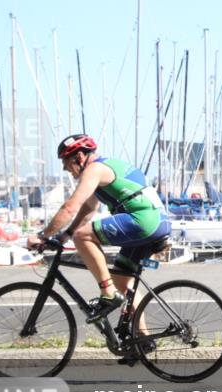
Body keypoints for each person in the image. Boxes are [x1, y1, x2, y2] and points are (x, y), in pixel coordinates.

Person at [27, 134, 171, 324]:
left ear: (79, 157)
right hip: (155, 222)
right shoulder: (104, 167)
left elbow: (71, 207)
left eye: (65, 162)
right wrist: (66, 234)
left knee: (82, 236)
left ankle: (107, 293)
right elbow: (88, 208)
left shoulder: (94, 169)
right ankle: (142, 342)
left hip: (143, 220)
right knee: (122, 283)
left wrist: (43, 236)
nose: (64, 168)